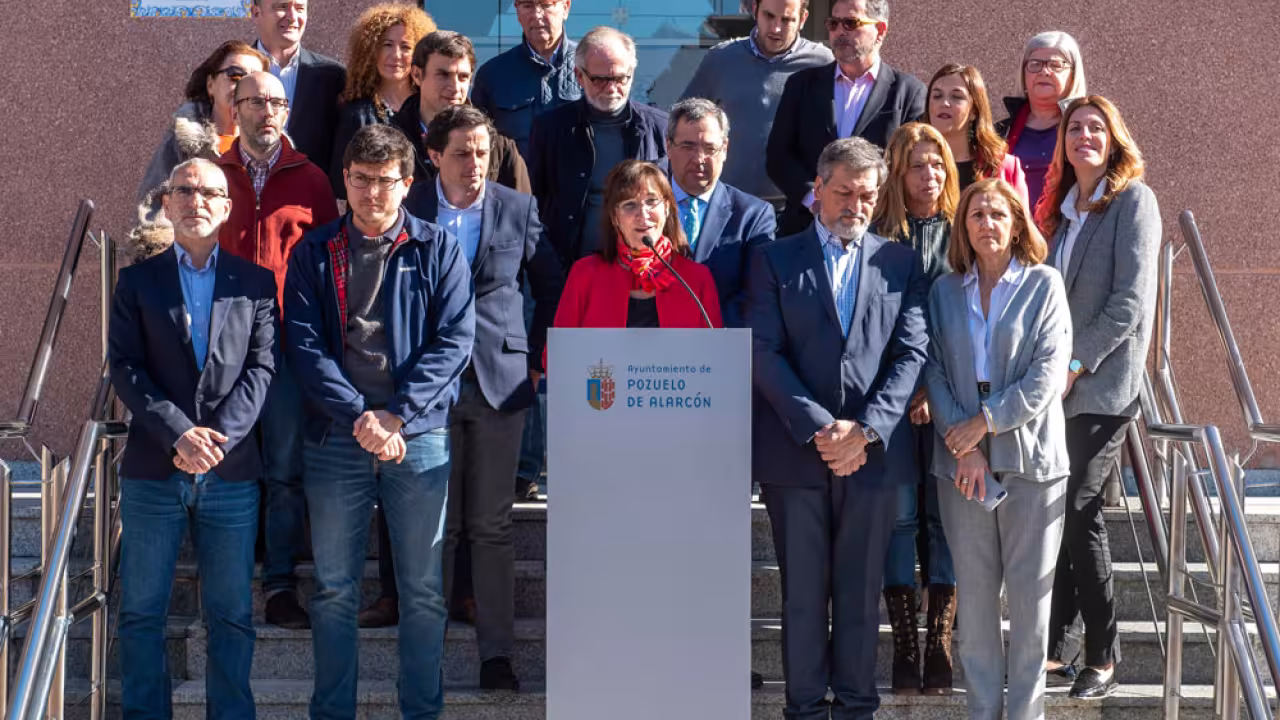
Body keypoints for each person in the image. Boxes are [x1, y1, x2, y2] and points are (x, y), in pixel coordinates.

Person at [283, 123, 475, 719]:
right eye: (361, 180)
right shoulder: (315, 252)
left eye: (385, 181)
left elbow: (455, 341)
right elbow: (305, 348)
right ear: (345, 180)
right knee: (334, 590)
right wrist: (362, 417)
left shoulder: (437, 248)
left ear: (408, 183)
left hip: (417, 436)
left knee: (422, 590)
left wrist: (396, 415)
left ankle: (421, 711)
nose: (372, 192)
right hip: (336, 437)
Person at [745, 136, 928, 719]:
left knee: (860, 593)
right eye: (845, 192)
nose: (856, 205)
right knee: (802, 595)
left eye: (867, 195)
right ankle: (803, 709)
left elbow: (911, 353)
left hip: (873, 459)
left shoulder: (900, 262)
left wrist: (866, 430)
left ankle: (855, 708)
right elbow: (763, 350)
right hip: (795, 453)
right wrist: (822, 428)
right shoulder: (775, 258)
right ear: (818, 189)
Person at [389, 105, 565, 689]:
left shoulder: (517, 207)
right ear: (433, 156)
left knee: (491, 525)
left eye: (483, 153)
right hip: (422, 386)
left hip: (498, 382)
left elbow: (551, 286)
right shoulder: (408, 206)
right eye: (462, 153)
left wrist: (535, 359)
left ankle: (497, 658)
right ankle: (426, 657)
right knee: (433, 527)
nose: (474, 164)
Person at [110, 158, 277, 720]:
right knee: (141, 613)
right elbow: (125, 367)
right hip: (154, 470)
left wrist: (216, 441)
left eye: (209, 192)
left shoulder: (255, 283)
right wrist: (180, 434)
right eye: (184, 190)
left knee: (231, 616)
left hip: (230, 472)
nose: (195, 200)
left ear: (227, 207)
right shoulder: (137, 282)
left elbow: (262, 370)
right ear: (166, 202)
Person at [924, 177, 1072, 720]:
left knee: (1031, 608)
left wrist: (984, 422)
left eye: (997, 214)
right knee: (976, 603)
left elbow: (1047, 373)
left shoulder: (1044, 284)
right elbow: (934, 371)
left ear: (1017, 225)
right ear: (962, 227)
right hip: (961, 464)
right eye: (976, 215)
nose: (987, 223)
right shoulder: (944, 292)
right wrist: (964, 444)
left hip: (1033, 461)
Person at [1039, 95, 1161, 699]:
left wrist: (1075, 362)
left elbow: (1128, 303)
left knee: (1082, 506)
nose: (1083, 136)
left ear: (1114, 139)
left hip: (1102, 385)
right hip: (1055, 389)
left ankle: (1104, 656)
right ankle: (1056, 648)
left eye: (1096, 128)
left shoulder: (1133, 201)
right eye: (1074, 128)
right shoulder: (1062, 213)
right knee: (1059, 510)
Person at [214, 71, 340, 629]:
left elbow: (332, 262)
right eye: (255, 102)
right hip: (222, 344)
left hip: (286, 343)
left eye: (276, 102)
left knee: (286, 468)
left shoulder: (311, 179)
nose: (266, 111)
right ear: (234, 108)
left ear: (287, 111)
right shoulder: (213, 176)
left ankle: (281, 585)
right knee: (229, 462)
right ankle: (228, 576)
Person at [868, 121, 958, 695]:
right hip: (890, 399)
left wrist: (931, 387)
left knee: (943, 518)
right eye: (917, 166)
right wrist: (907, 390)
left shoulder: (964, 231)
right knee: (901, 518)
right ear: (897, 175)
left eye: (938, 163)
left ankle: (938, 643)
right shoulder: (877, 238)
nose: (930, 175)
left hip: (951, 396)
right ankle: (904, 645)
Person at [766, 0, 926, 236]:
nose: (840, 31)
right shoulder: (802, 85)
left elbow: (911, 166)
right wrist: (815, 200)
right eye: (833, 23)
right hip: (806, 229)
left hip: (877, 232)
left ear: (880, 31)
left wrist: (866, 203)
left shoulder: (909, 93)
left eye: (850, 23)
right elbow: (778, 156)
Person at [528, 26, 668, 264]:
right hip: (570, 268)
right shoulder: (550, 129)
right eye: (600, 80)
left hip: (643, 268)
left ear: (632, 74)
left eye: (620, 78)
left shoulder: (660, 128)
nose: (611, 89)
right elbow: (534, 203)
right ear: (579, 76)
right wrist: (547, 268)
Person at [678, 0, 833, 204]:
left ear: (803, 19)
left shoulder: (821, 63)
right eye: (769, 16)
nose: (776, 28)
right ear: (755, 10)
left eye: (786, 20)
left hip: (797, 204)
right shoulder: (721, 59)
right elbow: (683, 120)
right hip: (729, 202)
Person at [552, 159, 723, 331]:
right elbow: (561, 347)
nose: (643, 214)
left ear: (666, 208)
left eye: (651, 201)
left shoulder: (697, 279)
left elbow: (714, 346)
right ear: (614, 217)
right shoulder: (584, 275)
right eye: (630, 205)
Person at [665, 98, 776, 328]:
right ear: (668, 146)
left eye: (709, 149)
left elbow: (757, 293)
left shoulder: (753, 216)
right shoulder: (642, 208)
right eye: (688, 146)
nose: (699, 159)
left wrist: (702, 327)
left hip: (720, 338)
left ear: (724, 149)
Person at [390, 31, 530, 193]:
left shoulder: (498, 147)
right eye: (443, 75)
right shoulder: (390, 142)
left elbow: (519, 207)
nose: (455, 87)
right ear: (417, 75)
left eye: (463, 77)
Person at [138, 41, 269, 213]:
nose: (245, 86)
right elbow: (152, 207)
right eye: (235, 76)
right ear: (210, 85)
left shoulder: (275, 148)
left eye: (254, 80)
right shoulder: (183, 142)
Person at [328, 2, 436, 198]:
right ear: (371, 50)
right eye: (387, 45)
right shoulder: (357, 115)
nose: (395, 55)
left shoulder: (430, 109)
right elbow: (340, 183)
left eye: (406, 47)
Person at [470, 0, 581, 160]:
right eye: (527, 6)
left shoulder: (591, 66)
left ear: (565, 8)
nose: (536, 15)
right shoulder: (492, 74)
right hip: (517, 176)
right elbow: (479, 145)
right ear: (517, 11)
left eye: (546, 5)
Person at [250, 0, 347, 176]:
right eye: (282, 7)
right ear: (256, 13)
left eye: (300, 8)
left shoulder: (333, 77)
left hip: (309, 191)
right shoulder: (232, 73)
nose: (293, 17)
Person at [995, 31, 1086, 213]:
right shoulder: (999, 133)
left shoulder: (1087, 132)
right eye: (1035, 64)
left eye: (1056, 65)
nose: (1044, 72)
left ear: (1073, 76)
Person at [925, 64, 1028, 200]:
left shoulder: (1003, 167)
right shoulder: (909, 162)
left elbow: (1020, 214)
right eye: (937, 96)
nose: (944, 103)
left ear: (974, 110)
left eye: (956, 97)